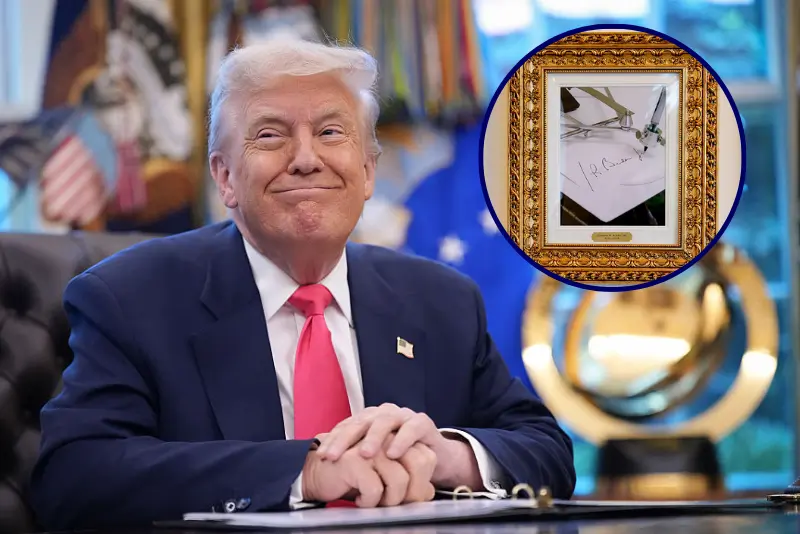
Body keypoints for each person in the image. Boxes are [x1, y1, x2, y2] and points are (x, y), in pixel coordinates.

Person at [30, 39, 575, 530]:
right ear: (224, 177)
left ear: (367, 172)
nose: (306, 159)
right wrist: (305, 471)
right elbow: (74, 478)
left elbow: (546, 451)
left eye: (331, 132)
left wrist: (446, 454)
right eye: (270, 135)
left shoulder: (441, 300)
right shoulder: (129, 297)